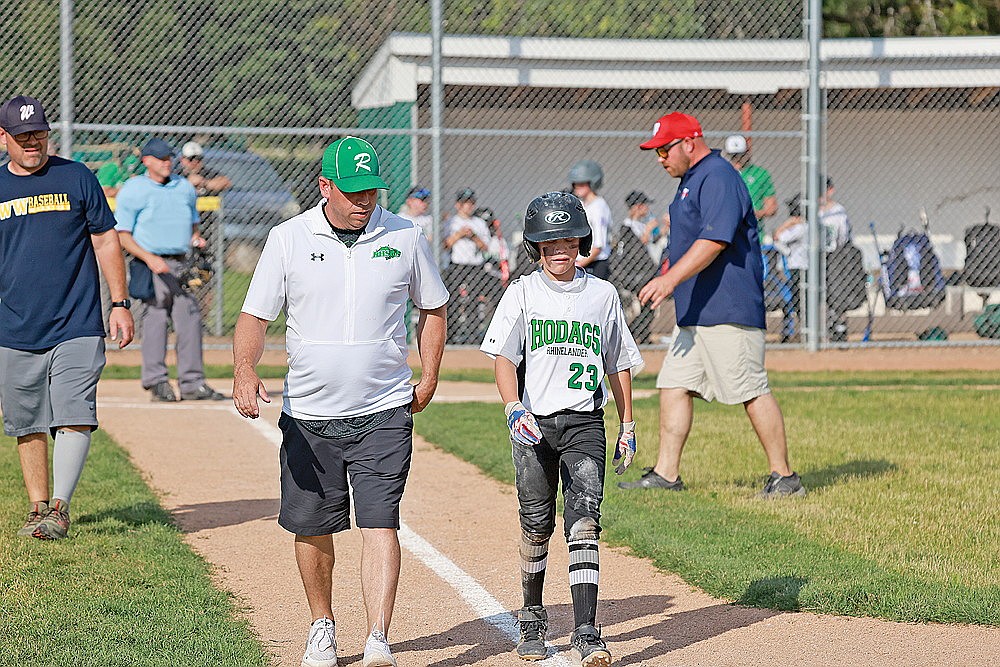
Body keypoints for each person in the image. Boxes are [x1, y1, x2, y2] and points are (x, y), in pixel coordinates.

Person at [233, 136, 447, 667]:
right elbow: (255, 316)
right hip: (309, 413)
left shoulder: (406, 235)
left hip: (384, 408)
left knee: (381, 520)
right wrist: (243, 370)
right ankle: (322, 626)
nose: (363, 201)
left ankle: (378, 638)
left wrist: (430, 374)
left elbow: (433, 308)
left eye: (371, 190)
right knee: (312, 524)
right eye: (351, 191)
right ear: (324, 186)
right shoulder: (287, 238)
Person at [481, 191, 643, 666]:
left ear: (582, 242)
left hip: (585, 422)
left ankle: (587, 631)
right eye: (549, 242)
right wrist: (513, 407)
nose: (560, 249)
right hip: (534, 423)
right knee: (535, 525)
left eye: (568, 240)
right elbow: (506, 357)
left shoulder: (602, 295)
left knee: (584, 523)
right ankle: (532, 619)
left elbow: (618, 361)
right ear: (535, 247)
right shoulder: (523, 292)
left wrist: (628, 422)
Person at [618, 112, 805, 499]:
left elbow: (716, 239)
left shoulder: (718, 175)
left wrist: (670, 279)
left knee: (750, 389)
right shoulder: (691, 181)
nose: (659, 158)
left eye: (664, 149)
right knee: (674, 385)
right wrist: (667, 274)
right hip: (697, 312)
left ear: (689, 142)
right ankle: (667, 474)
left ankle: (784, 477)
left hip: (727, 309)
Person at [0, 95, 135, 540]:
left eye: (38, 133)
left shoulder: (76, 177)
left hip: (77, 321)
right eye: (22, 136)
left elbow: (105, 241)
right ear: (4, 139)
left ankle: (60, 508)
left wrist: (119, 303)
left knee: (74, 410)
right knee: (28, 420)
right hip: (14, 324)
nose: (32, 142)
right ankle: (37, 505)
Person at [114, 138, 224, 402]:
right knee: (155, 321)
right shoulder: (134, 189)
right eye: (161, 158)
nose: (167, 162)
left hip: (182, 263)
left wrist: (196, 240)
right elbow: (122, 235)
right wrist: (149, 258)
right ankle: (157, 382)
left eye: (169, 158)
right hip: (150, 263)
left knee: (189, 320)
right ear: (146, 161)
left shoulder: (183, 187)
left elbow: (193, 224)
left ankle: (192, 382)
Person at [442, 188, 491, 343]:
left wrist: (473, 236)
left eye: (471, 203)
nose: (469, 206)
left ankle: (472, 334)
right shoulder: (451, 222)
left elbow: (486, 247)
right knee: (454, 300)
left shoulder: (479, 223)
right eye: (465, 203)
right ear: (458, 205)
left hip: (475, 265)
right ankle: (452, 334)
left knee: (473, 301)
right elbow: (445, 245)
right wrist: (459, 234)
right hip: (457, 265)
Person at [723, 134, 777, 244]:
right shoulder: (722, 173)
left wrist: (751, 214)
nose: (737, 160)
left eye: (740, 155)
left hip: (753, 234)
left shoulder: (760, 174)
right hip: (727, 234)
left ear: (747, 153)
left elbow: (772, 208)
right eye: (733, 156)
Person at [568, 160, 613, 280]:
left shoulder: (599, 207)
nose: (577, 187)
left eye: (582, 184)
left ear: (593, 183)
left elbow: (599, 245)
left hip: (595, 263)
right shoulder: (582, 204)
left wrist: (579, 265)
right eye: (575, 184)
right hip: (581, 261)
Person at [771, 194, 807, 342]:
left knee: (795, 302)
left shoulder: (800, 227)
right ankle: (799, 331)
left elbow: (777, 237)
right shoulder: (807, 226)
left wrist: (788, 223)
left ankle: (798, 333)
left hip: (797, 268)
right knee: (794, 302)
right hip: (799, 268)